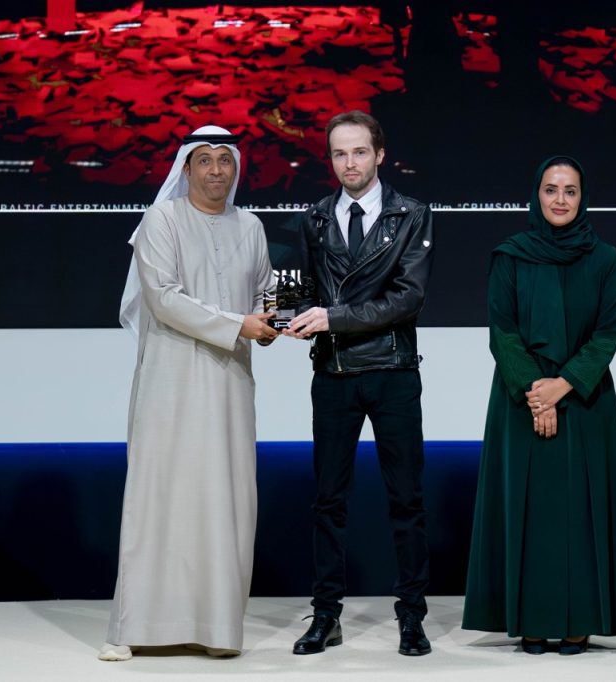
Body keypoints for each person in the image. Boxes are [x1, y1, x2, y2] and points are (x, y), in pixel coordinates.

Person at [99, 125, 278, 661]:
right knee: (160, 494)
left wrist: (275, 319)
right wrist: (240, 324)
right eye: (205, 160)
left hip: (230, 384)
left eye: (225, 160)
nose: (216, 170)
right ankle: (132, 629)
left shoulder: (251, 225)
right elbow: (163, 298)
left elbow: (265, 289)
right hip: (171, 382)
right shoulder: (162, 219)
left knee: (225, 497)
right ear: (186, 167)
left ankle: (216, 629)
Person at [462, 156, 616, 655]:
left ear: (582, 198)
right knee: (530, 510)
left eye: (570, 191)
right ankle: (531, 620)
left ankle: (579, 620)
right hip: (519, 400)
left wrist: (562, 386)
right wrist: (535, 392)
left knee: (578, 511)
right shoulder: (510, 256)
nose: (560, 199)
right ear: (536, 195)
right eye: (550, 189)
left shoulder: (605, 259)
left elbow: (608, 333)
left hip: (585, 400)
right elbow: (502, 331)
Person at [283, 111, 435, 656]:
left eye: (359, 152)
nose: (350, 163)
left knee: (406, 499)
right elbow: (302, 288)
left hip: (393, 371)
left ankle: (411, 616)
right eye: (339, 153)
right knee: (328, 501)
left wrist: (332, 317)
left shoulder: (412, 214)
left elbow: (407, 298)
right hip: (334, 373)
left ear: (380, 155)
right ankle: (326, 614)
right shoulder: (314, 218)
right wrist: (284, 319)